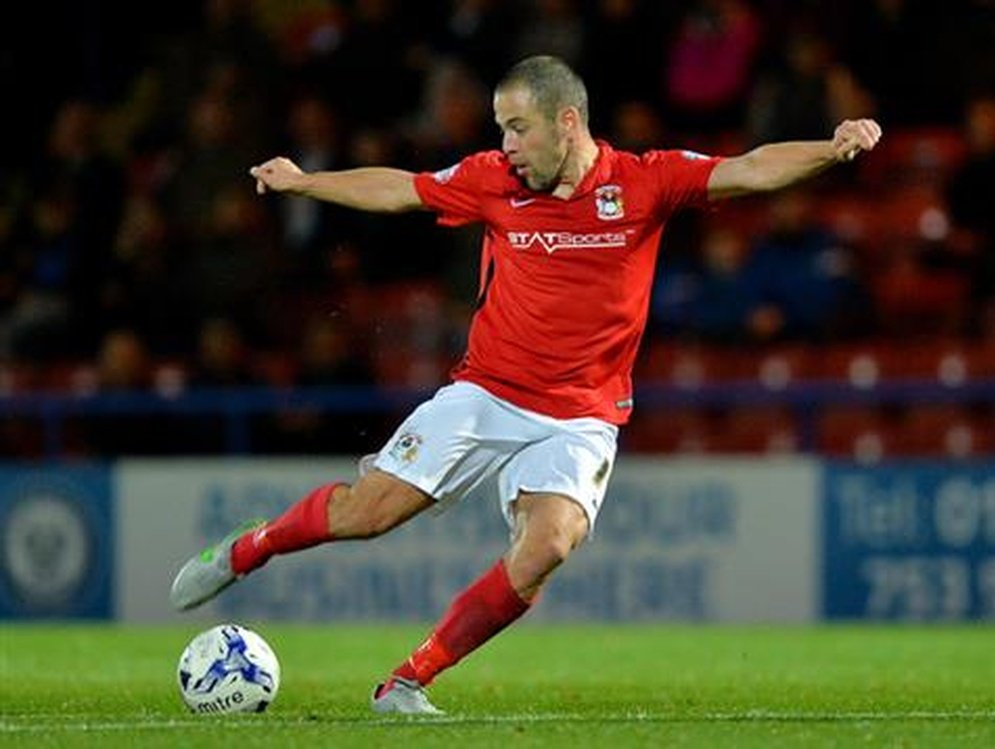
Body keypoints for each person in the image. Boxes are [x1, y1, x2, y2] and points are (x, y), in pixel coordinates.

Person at [169, 55, 881, 715]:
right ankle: (247, 549)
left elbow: (751, 168)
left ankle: (407, 679)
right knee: (369, 513)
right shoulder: (493, 180)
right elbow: (401, 190)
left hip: (582, 414)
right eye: (500, 129)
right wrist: (305, 181)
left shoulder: (644, 179)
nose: (506, 144)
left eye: (517, 127)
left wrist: (832, 145)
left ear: (566, 121)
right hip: (486, 391)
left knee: (548, 546)